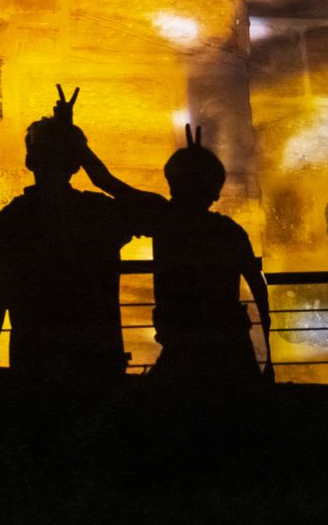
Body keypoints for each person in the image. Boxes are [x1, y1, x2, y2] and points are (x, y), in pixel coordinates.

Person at [80, 120, 272, 383]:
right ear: (215, 191)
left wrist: (76, 143)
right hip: (231, 347)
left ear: (172, 183)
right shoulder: (230, 232)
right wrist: (270, 357)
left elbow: (106, 181)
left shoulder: (163, 218)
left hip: (181, 343)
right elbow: (258, 289)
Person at [0, 100, 134, 383]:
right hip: (96, 360)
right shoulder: (98, 213)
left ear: (29, 161)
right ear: (75, 164)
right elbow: (148, 208)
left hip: (33, 360)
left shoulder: (10, 221)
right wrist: (88, 160)